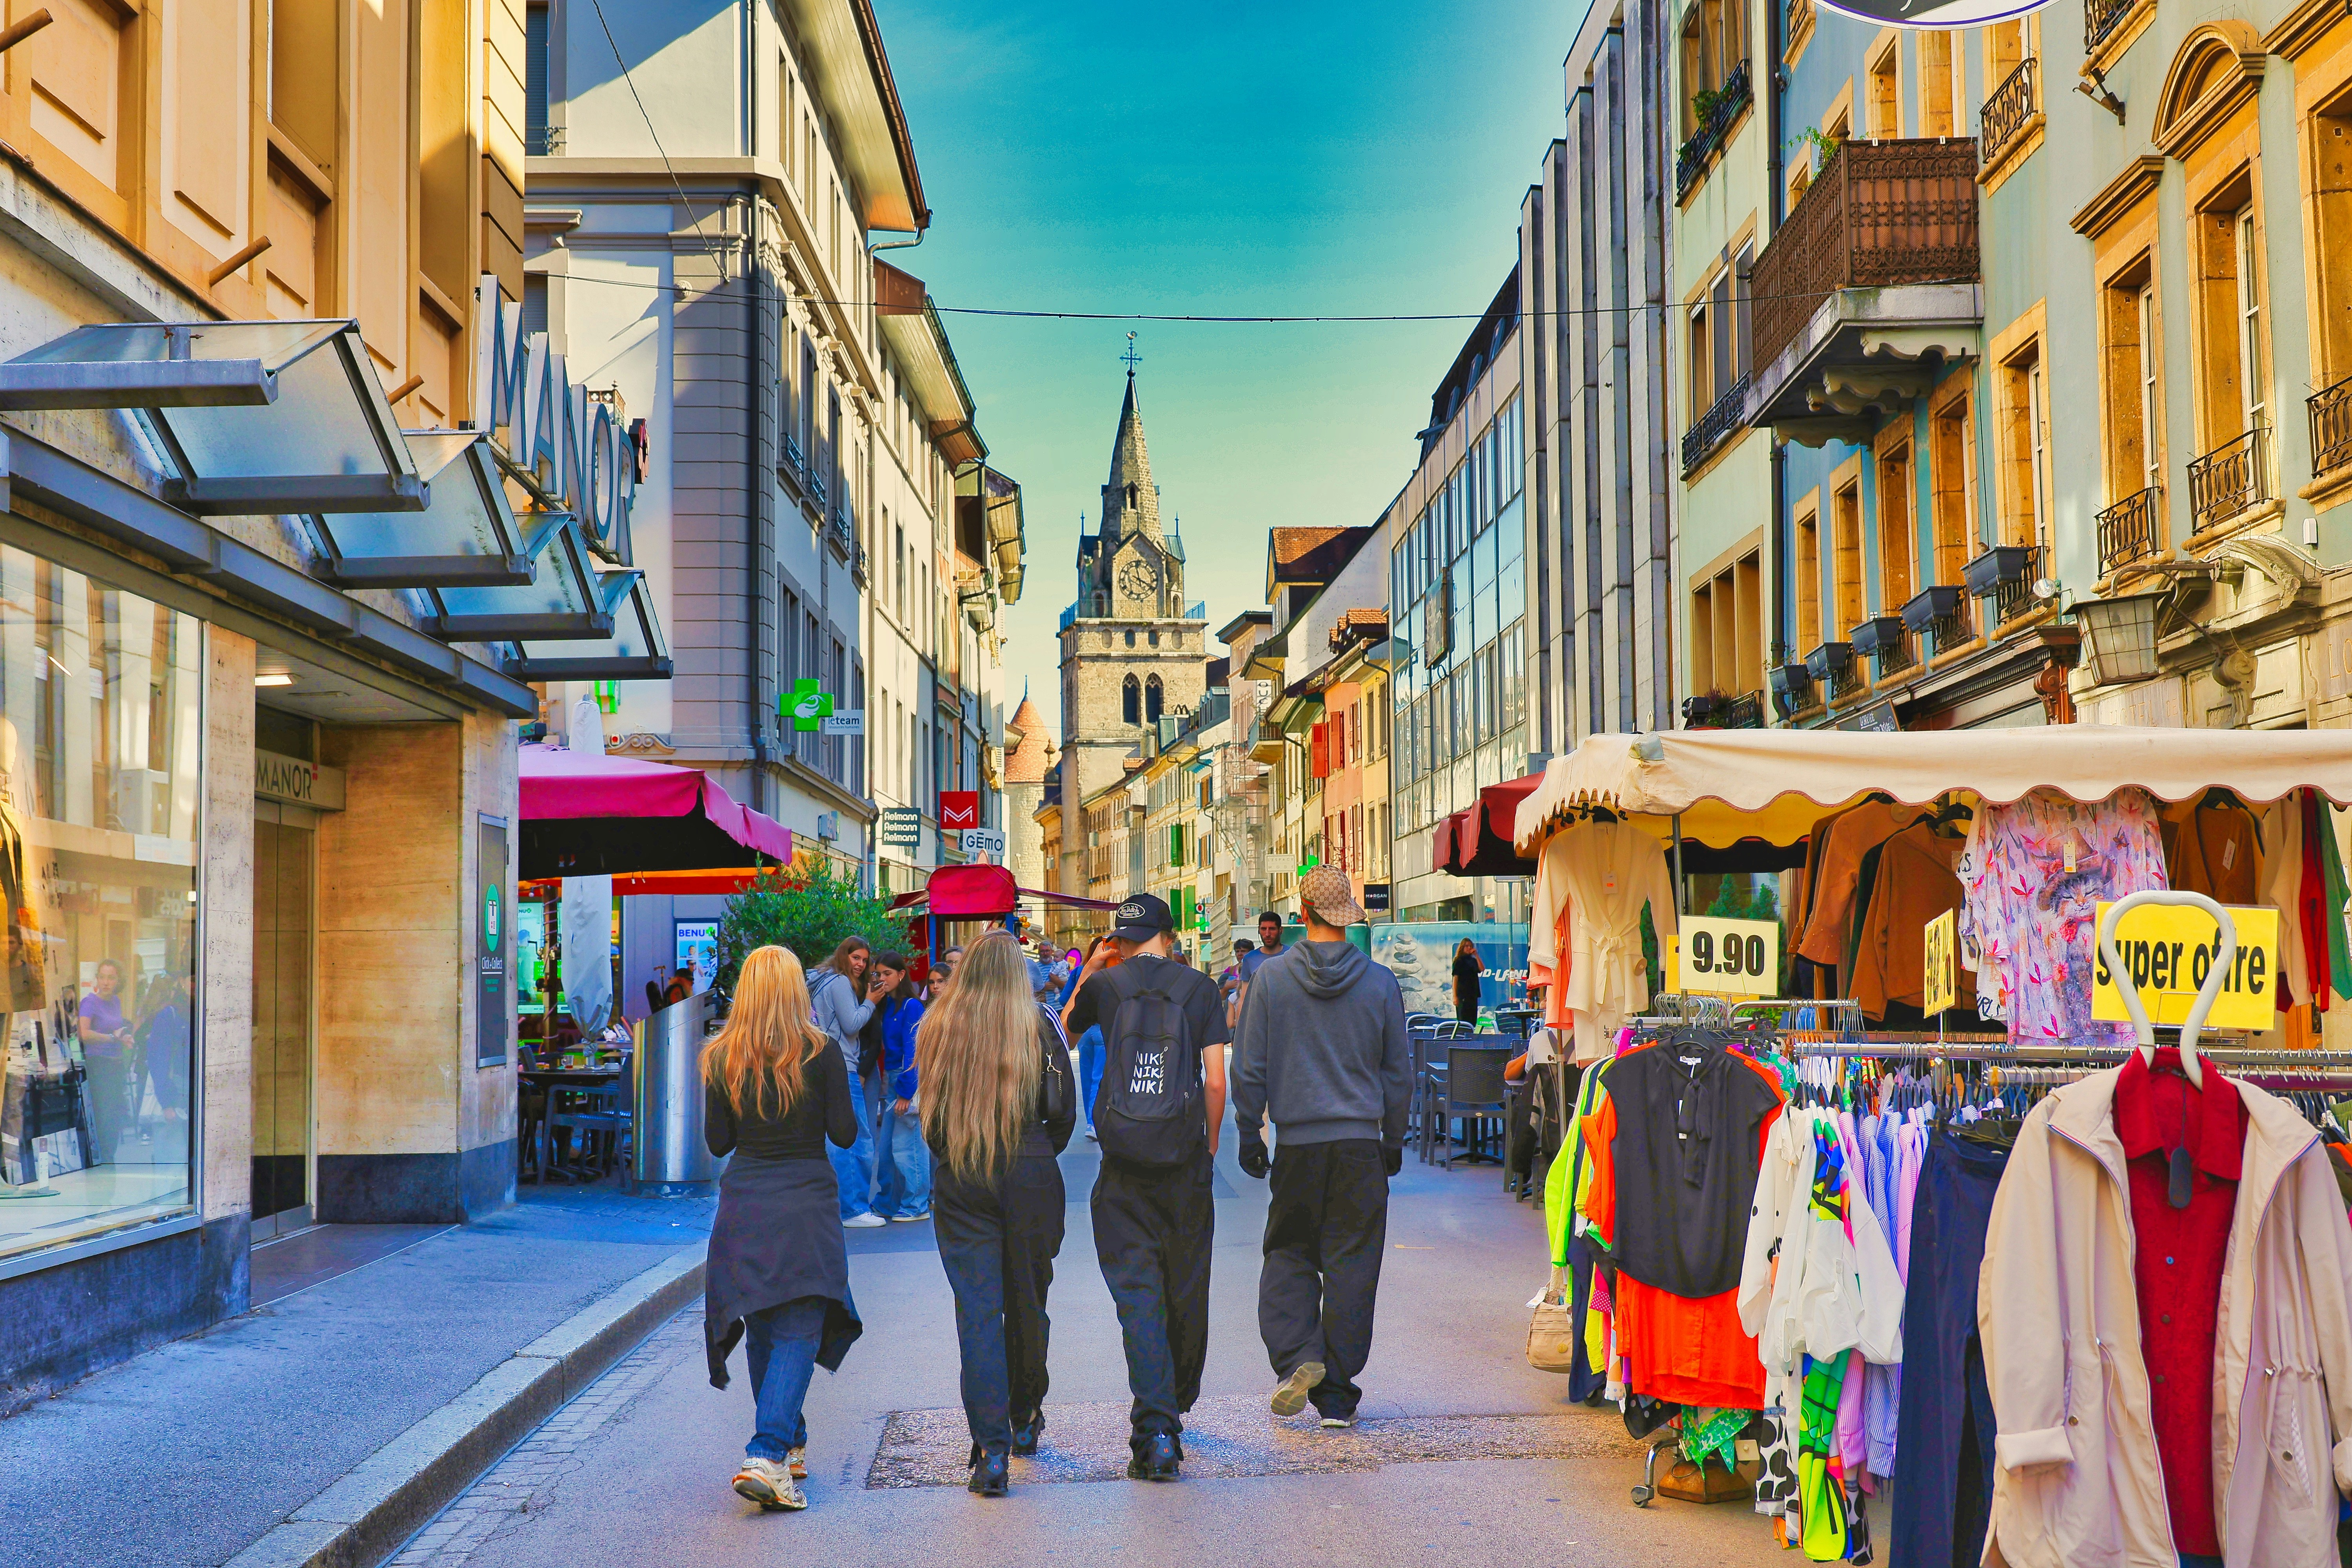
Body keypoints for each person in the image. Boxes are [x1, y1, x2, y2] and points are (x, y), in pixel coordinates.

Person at [1231, 866, 1412, 1429]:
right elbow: (1396, 1073)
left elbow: (1249, 1064)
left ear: (1301, 914)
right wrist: (1392, 1137)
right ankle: (1336, 1395)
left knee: (1288, 1253)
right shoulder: (1380, 983)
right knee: (1352, 1264)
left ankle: (1297, 1355)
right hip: (1359, 1145)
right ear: (1346, 916)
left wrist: (1247, 1131)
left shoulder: (1271, 979)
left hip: (1300, 1147)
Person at [1064, 892, 1229, 1481]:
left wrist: (1093, 967)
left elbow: (1063, 1034)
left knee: (1138, 1296)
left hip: (1124, 1164)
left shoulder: (1107, 987)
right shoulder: (1200, 989)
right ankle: (1172, 1404)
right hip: (1184, 1164)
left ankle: (1154, 1431)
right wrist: (1208, 1147)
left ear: (1119, 937)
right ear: (1169, 933)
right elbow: (1215, 1082)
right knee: (1184, 1288)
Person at [701, 946, 863, 1513]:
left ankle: (789, 1445)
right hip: (804, 1202)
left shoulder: (721, 1056)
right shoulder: (820, 1052)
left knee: (765, 1322)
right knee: (798, 1326)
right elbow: (844, 1133)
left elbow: (718, 1142)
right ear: (798, 991)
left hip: (745, 1200)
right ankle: (767, 1453)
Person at [918, 931, 1076, 1497]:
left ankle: (990, 1450)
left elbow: (930, 1119)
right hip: (1029, 1166)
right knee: (1028, 1302)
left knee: (978, 1312)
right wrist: (1033, 1153)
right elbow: (1064, 1112)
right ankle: (1026, 1413)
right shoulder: (1039, 1021)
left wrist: (956, 1154)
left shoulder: (939, 1023)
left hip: (962, 1170)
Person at [810, 938, 883, 1227]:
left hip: (822, 1066)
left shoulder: (820, 979)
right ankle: (853, 1210)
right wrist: (871, 1002)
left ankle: (841, 1207)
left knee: (834, 1140)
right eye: (856, 957)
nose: (860, 965)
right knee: (856, 1139)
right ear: (843, 955)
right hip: (844, 1067)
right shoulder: (839, 983)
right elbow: (852, 1024)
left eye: (864, 961)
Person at [866, 951, 931, 1222]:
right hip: (892, 1080)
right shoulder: (889, 1005)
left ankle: (916, 1206)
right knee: (889, 1151)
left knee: (910, 1147)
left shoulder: (911, 1006)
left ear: (901, 975)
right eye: (878, 974)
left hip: (905, 1080)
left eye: (887, 974)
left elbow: (913, 1050)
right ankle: (888, 1202)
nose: (882, 979)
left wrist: (906, 1091)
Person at [1061, 935, 1121, 1140]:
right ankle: (1095, 1122)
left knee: (1087, 1078)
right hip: (1104, 1029)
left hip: (1084, 1031)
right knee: (1100, 1077)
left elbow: (1063, 998)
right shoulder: (1117, 972)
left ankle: (1089, 1122)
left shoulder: (1081, 971)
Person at [77, 958, 136, 1162]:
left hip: (115, 1062)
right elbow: (84, 1033)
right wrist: (112, 1038)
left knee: (115, 1112)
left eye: (111, 978)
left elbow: (115, 1031)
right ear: (97, 979)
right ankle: (104, 1158)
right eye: (102, 977)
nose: (106, 982)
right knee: (104, 1111)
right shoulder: (90, 1002)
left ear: (118, 980)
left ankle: (110, 1156)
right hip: (99, 1063)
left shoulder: (116, 1002)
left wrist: (123, 1038)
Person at [1451, 938, 1484, 1027]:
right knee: (1463, 1020)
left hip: (1473, 994)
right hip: (1462, 995)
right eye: (1467, 946)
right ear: (1463, 947)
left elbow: (1482, 969)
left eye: (1471, 946)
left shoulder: (1473, 961)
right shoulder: (1458, 961)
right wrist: (1455, 996)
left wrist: (1476, 955)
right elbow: (1455, 979)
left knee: (1473, 1020)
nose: (1469, 948)